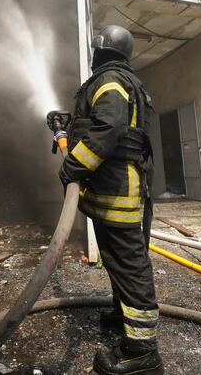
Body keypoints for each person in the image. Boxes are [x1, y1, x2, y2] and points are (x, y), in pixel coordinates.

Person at [59, 25, 163, 375]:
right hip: (117, 192)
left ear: (101, 51)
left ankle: (142, 353)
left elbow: (108, 128)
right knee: (119, 261)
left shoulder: (110, 81)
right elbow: (101, 124)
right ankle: (123, 316)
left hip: (119, 194)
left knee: (131, 267)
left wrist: (72, 167)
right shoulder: (122, 81)